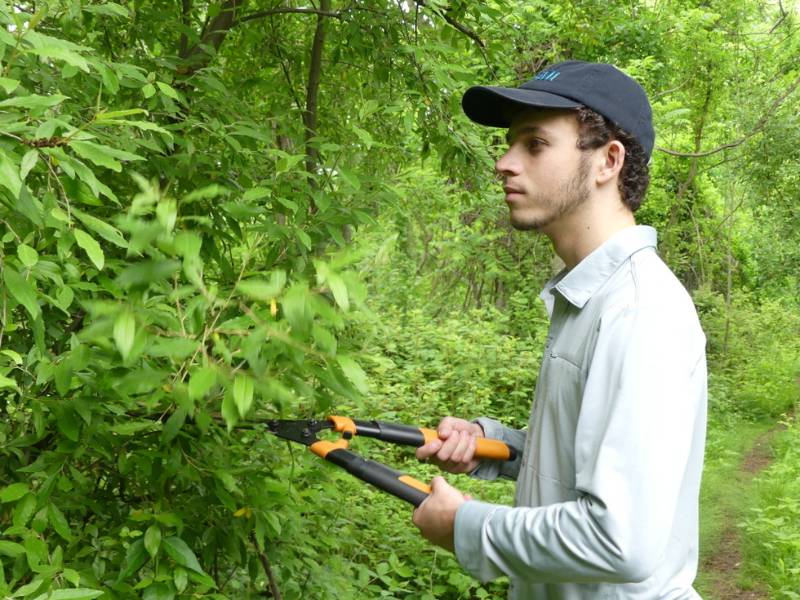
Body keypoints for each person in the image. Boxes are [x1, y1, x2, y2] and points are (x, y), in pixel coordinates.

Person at [412, 60, 708, 599]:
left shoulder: (639, 311)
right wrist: (497, 446)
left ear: (607, 162)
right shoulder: (589, 295)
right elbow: (593, 461)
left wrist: (466, 527)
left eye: (535, 144)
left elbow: (621, 540)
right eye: (508, 144)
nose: (504, 163)